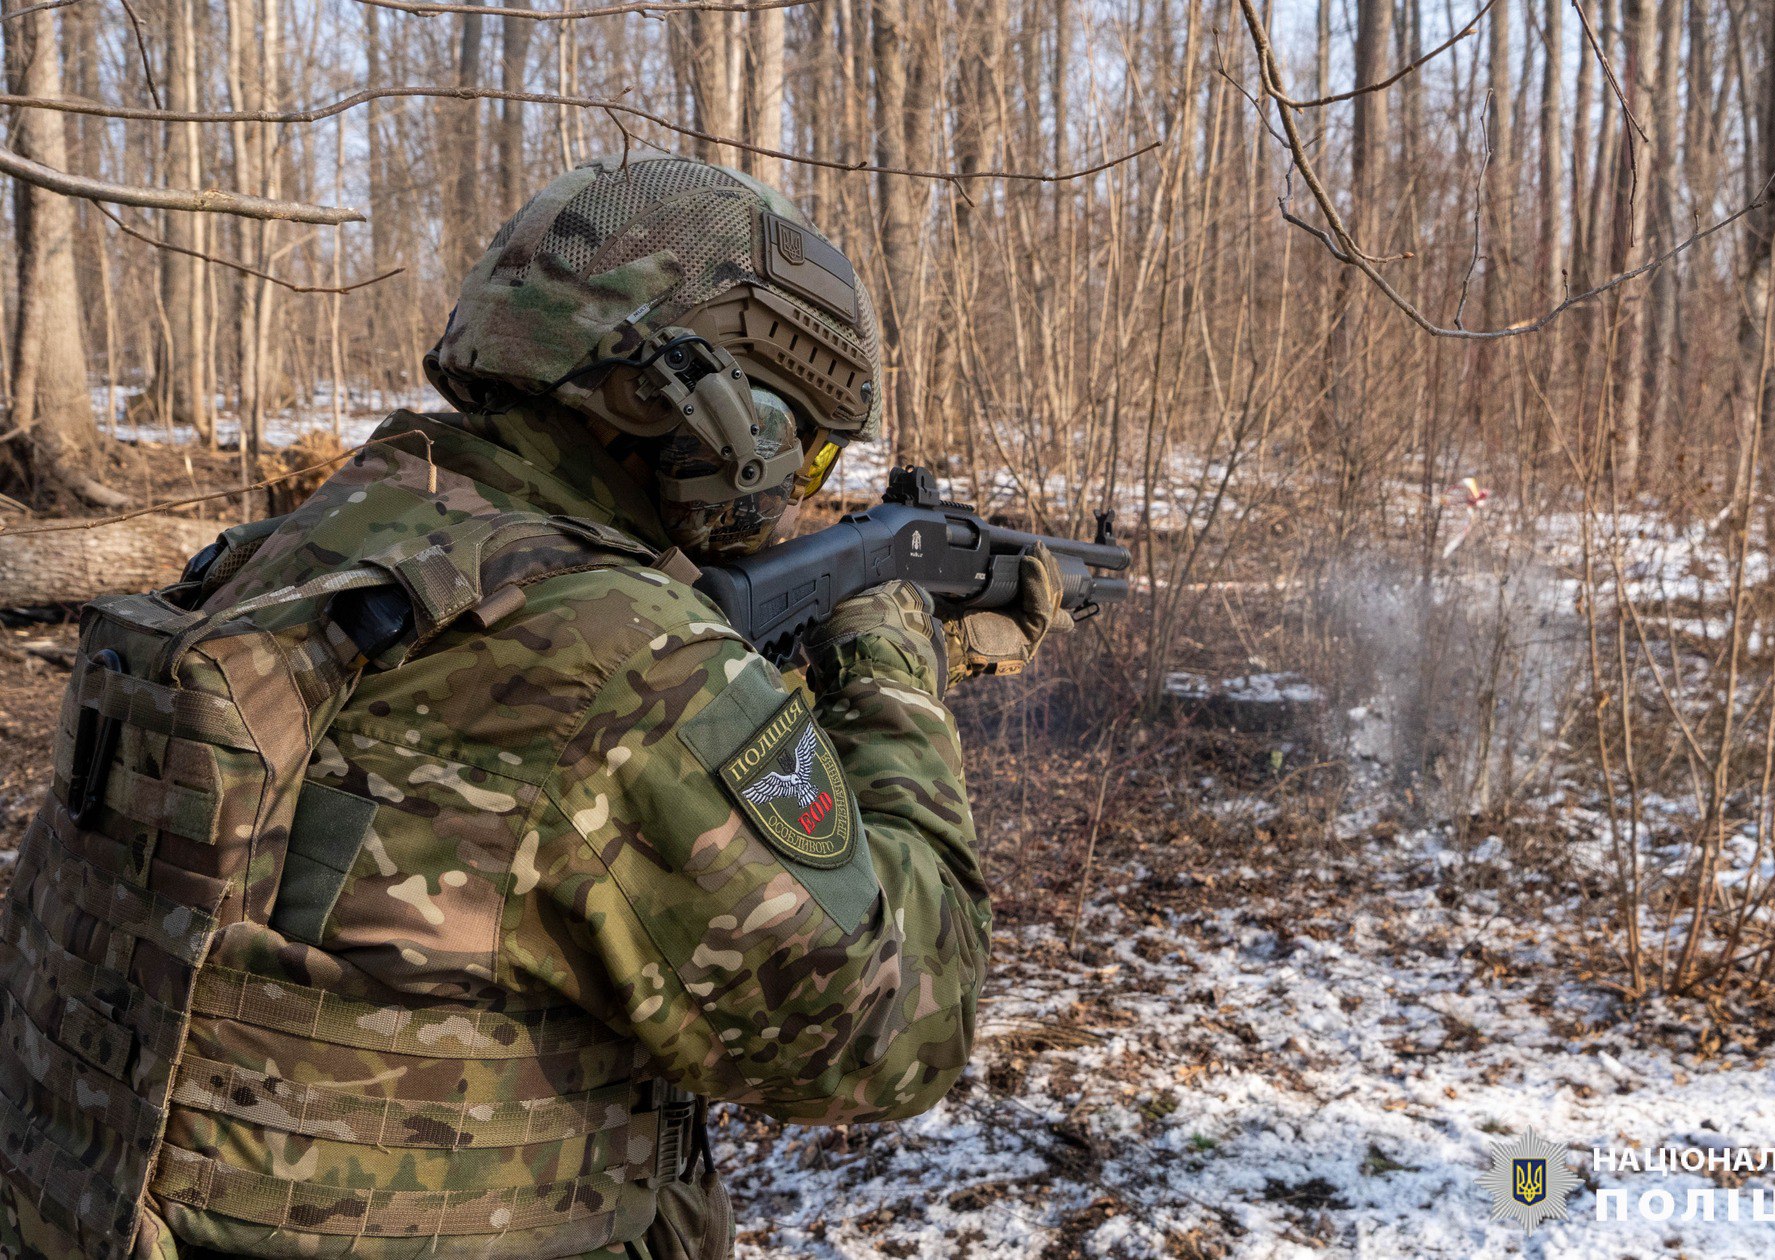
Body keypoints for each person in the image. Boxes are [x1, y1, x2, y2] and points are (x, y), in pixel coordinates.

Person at [0, 158, 1068, 1260]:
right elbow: (898, 1028)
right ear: (698, 405)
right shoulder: (621, 664)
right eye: (813, 447)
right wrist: (891, 671)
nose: (803, 490)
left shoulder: (295, 550)